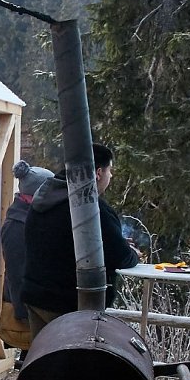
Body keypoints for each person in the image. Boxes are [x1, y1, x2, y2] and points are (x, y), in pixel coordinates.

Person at [21, 143, 140, 340]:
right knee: (72, 366)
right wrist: (132, 252)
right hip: (69, 304)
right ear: (99, 172)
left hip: (36, 297)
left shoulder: (45, 198)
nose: (111, 177)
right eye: (110, 171)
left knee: (45, 362)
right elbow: (120, 256)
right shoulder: (88, 207)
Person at [0, 159, 54, 355]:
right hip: (27, 311)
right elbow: (17, 273)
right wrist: (23, 314)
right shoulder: (16, 227)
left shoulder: (32, 219)